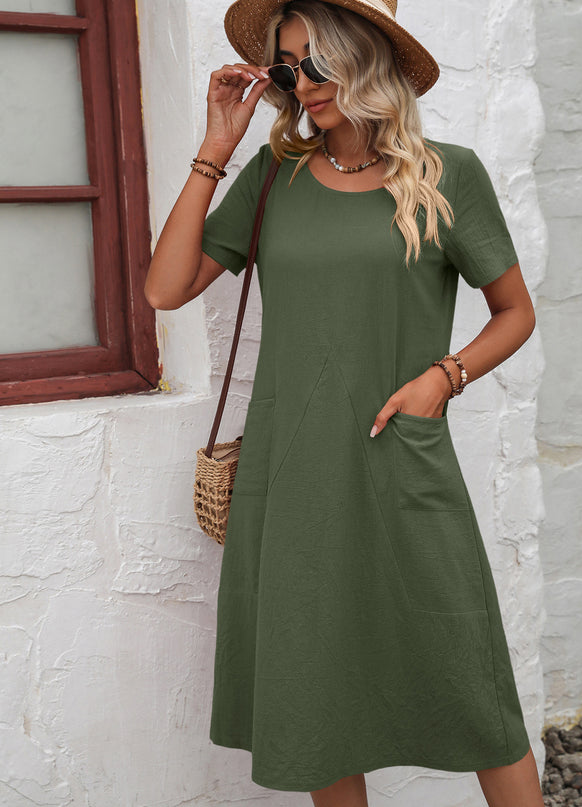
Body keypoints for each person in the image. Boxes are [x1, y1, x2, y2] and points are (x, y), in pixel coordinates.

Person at [144, 1, 544, 805]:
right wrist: (215, 150)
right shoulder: (273, 178)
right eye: (288, 68)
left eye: (319, 63)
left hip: (402, 460)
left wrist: (443, 378)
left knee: (472, 682)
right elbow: (166, 287)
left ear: (367, 61)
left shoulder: (447, 174)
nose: (303, 84)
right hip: (293, 473)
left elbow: (514, 313)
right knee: (314, 688)